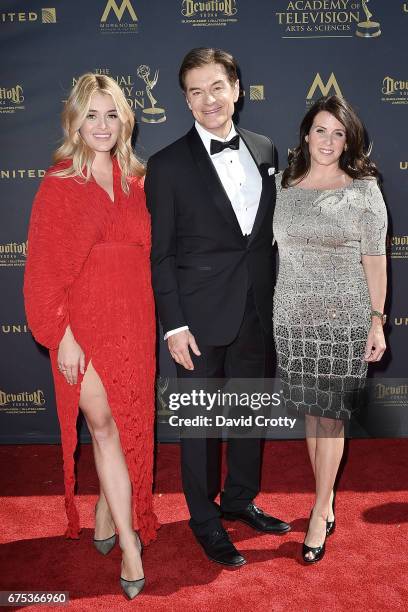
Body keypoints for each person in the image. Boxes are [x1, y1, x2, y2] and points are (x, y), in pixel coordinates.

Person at [145, 47, 290, 568]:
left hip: (257, 308)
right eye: (195, 91)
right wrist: (173, 325)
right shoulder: (165, 166)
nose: (208, 99)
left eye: (217, 87)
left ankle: (239, 499)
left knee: (249, 414)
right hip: (198, 319)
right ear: (185, 100)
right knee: (201, 425)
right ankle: (204, 521)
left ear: (237, 89)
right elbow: (160, 255)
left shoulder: (266, 149)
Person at [23, 73, 159, 599]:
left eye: (111, 114)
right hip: (83, 326)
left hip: (135, 319)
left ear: (126, 119)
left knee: (125, 428)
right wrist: (63, 337)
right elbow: (41, 274)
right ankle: (128, 545)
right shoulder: (59, 184)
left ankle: (107, 509)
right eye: (91, 115)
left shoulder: (139, 180)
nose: (102, 125)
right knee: (103, 426)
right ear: (74, 122)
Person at [273, 95, 387, 563]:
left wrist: (377, 321)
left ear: (348, 140)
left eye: (338, 133)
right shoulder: (284, 182)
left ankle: (320, 508)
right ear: (306, 134)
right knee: (311, 411)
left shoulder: (363, 190)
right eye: (321, 130)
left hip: (344, 316)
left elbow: (376, 261)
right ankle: (326, 495)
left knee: (332, 415)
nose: (328, 140)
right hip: (292, 316)